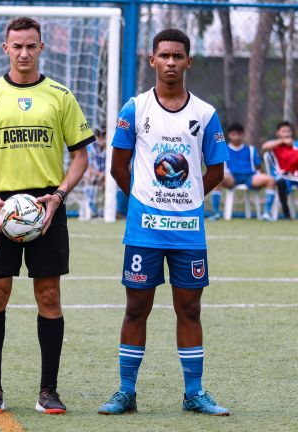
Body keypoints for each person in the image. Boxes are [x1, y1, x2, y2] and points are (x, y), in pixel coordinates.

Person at [0, 17, 94, 415]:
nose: (23, 52)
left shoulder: (60, 95)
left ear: (41, 48)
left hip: (47, 207)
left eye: (30, 46)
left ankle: (48, 391)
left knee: (49, 296)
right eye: (16, 46)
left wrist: (59, 196)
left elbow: (81, 154)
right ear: (5, 49)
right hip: (1, 209)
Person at [97, 28, 230, 416]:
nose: (170, 62)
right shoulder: (134, 109)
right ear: (153, 60)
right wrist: (143, 199)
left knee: (189, 310)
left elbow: (217, 170)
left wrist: (186, 198)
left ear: (188, 62)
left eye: (178, 56)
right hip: (144, 230)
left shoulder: (204, 114)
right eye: (164, 55)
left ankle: (193, 393)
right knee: (136, 309)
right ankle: (126, 392)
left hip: (189, 232)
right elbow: (119, 167)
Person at [210, 122, 275, 221]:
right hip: (231, 177)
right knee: (217, 178)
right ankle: (216, 213)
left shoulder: (251, 149)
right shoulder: (224, 149)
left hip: (250, 177)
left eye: (239, 134)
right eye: (233, 134)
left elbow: (258, 167)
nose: (236, 137)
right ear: (229, 135)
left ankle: (267, 213)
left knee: (270, 180)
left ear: (243, 134)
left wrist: (260, 173)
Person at [261, 121, 298, 220]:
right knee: (281, 182)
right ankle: (287, 214)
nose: (286, 133)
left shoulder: (296, 145)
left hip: (295, 176)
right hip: (283, 176)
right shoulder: (275, 145)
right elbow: (264, 147)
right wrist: (282, 141)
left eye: (288, 131)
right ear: (278, 133)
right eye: (283, 131)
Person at [81, 128, 106, 219]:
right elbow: (89, 166)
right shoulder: (91, 147)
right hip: (92, 173)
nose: (102, 139)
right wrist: (97, 174)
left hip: (102, 174)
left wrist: (103, 175)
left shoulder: (108, 148)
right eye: (100, 136)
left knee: (106, 186)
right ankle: (88, 212)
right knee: (90, 183)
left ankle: (101, 211)